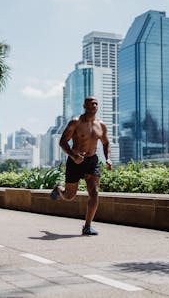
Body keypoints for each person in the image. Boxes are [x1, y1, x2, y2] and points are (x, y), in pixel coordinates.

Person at [50, 96, 112, 235]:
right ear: (84, 106)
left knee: (94, 193)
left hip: (92, 161)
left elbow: (106, 143)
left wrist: (108, 158)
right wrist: (73, 156)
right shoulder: (75, 122)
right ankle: (59, 188)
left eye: (96, 103)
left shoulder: (101, 125)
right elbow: (62, 142)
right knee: (69, 196)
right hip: (75, 161)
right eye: (91, 103)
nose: (94, 105)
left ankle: (87, 226)